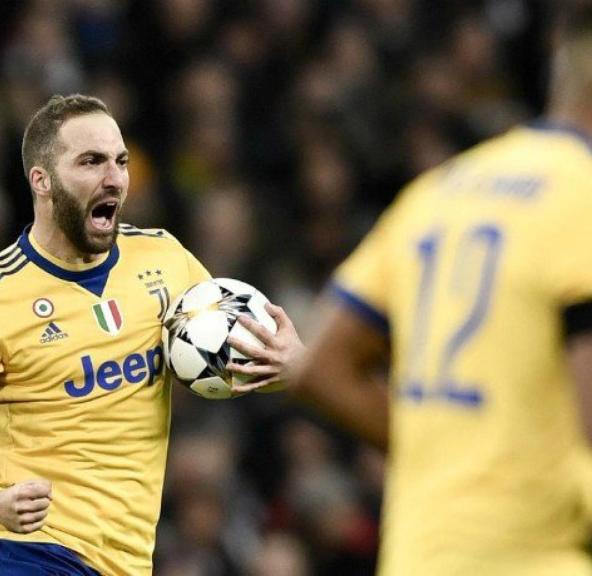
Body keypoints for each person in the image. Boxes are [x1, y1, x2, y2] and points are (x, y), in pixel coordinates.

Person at [229, 6, 592, 574]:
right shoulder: (582, 195)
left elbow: (320, 366)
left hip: (420, 554)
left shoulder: (438, 191)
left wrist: (446, 452)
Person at [0, 94, 299, 575]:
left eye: (120, 161)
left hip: (123, 561)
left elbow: (243, 358)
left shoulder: (164, 261)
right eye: (90, 162)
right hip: (20, 550)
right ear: (42, 180)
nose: (113, 178)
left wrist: (288, 364)